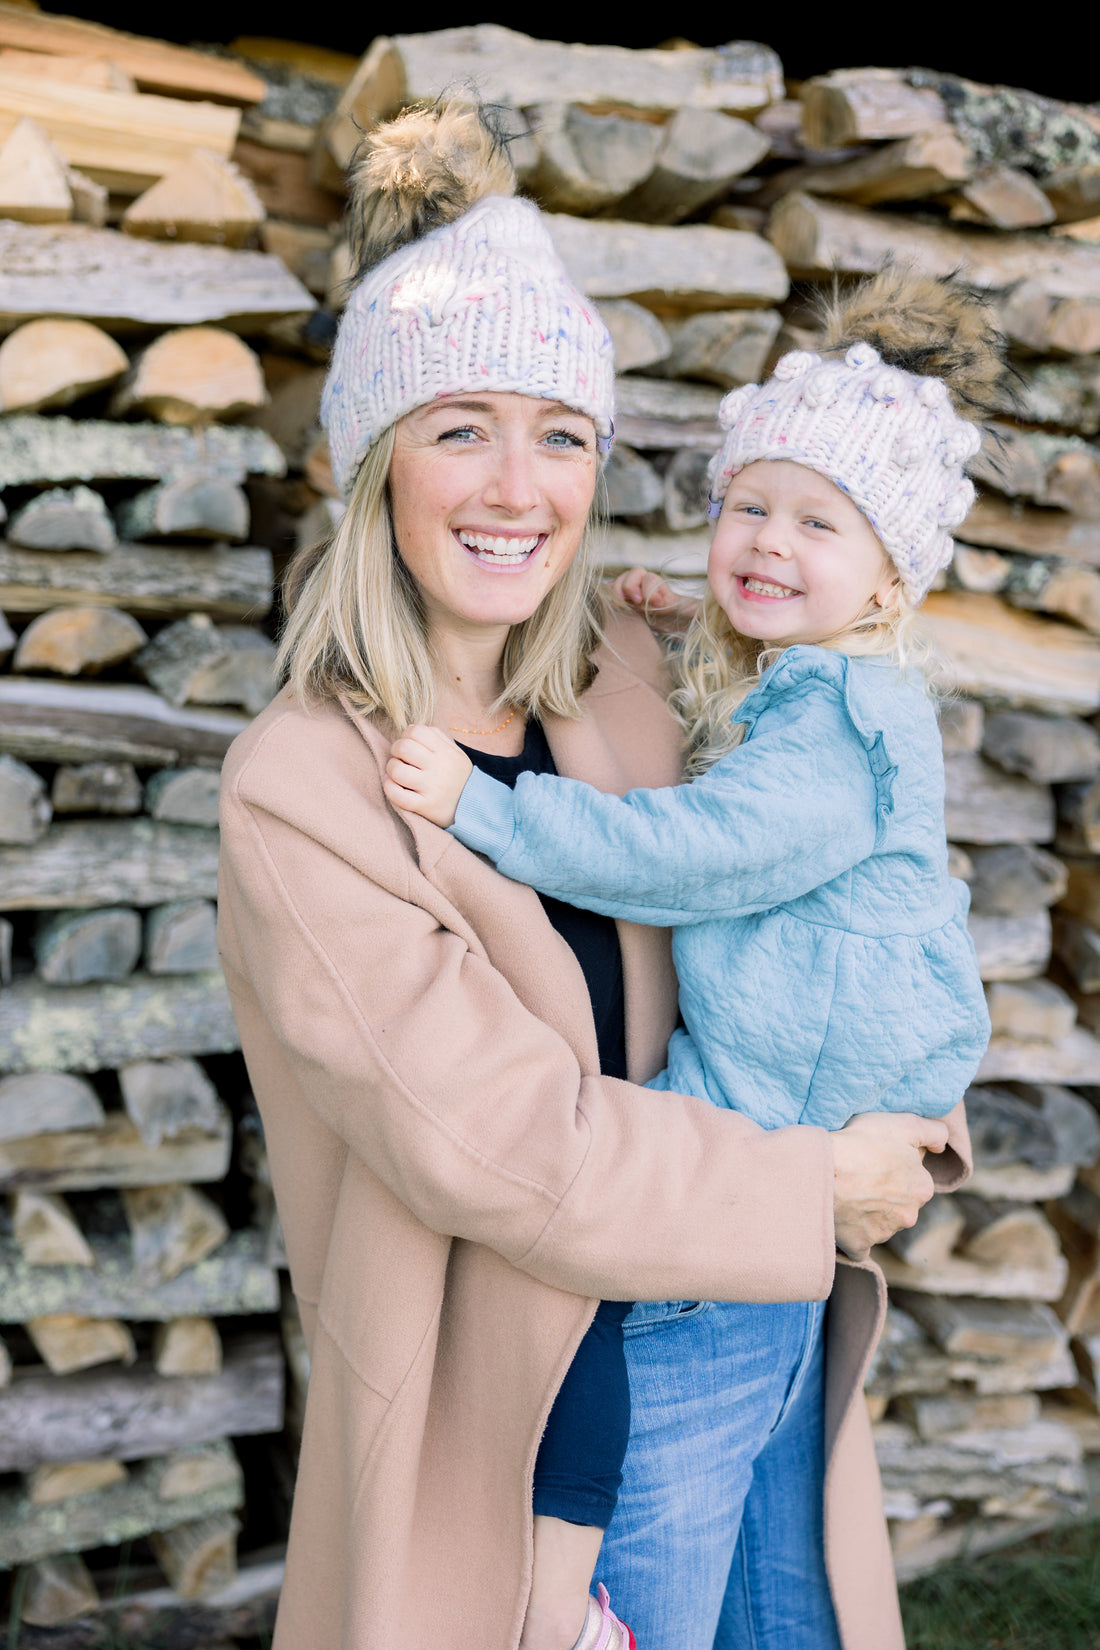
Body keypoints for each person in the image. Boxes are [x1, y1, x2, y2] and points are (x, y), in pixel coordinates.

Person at [216, 103, 968, 1650]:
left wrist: (913, 1112)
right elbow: (498, 1144)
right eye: (460, 426)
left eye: (562, 433)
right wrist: (816, 1181)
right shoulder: (305, 786)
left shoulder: (635, 673)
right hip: (560, 1409)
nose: (518, 485)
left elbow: (822, 883)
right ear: (373, 465)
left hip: (758, 1309)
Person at [385, 268, 998, 1647]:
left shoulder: (836, 727)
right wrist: (678, 620)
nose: (767, 541)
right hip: (802, 1158)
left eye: (816, 522)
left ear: (890, 571)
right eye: (747, 505)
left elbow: (699, 848)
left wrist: (489, 809)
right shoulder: (822, 684)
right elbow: (743, 706)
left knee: (657, 1565)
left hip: (746, 1179)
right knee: (775, 1589)